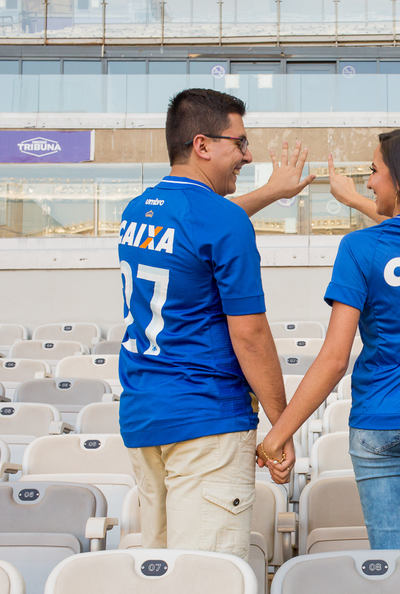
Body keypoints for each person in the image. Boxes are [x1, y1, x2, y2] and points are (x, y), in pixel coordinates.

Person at [259, 128, 400, 555]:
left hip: (384, 421)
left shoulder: (359, 249)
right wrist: (356, 203)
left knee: (397, 564)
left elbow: (335, 360)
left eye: (374, 172)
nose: (368, 182)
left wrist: (277, 435)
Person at [117, 87, 306, 559]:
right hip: (207, 419)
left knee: (160, 573)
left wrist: (269, 193)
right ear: (202, 145)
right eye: (239, 143)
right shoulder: (220, 222)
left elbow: (203, 226)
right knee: (206, 583)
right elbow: (251, 334)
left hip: (145, 418)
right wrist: (280, 426)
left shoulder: (138, 209)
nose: (247, 153)